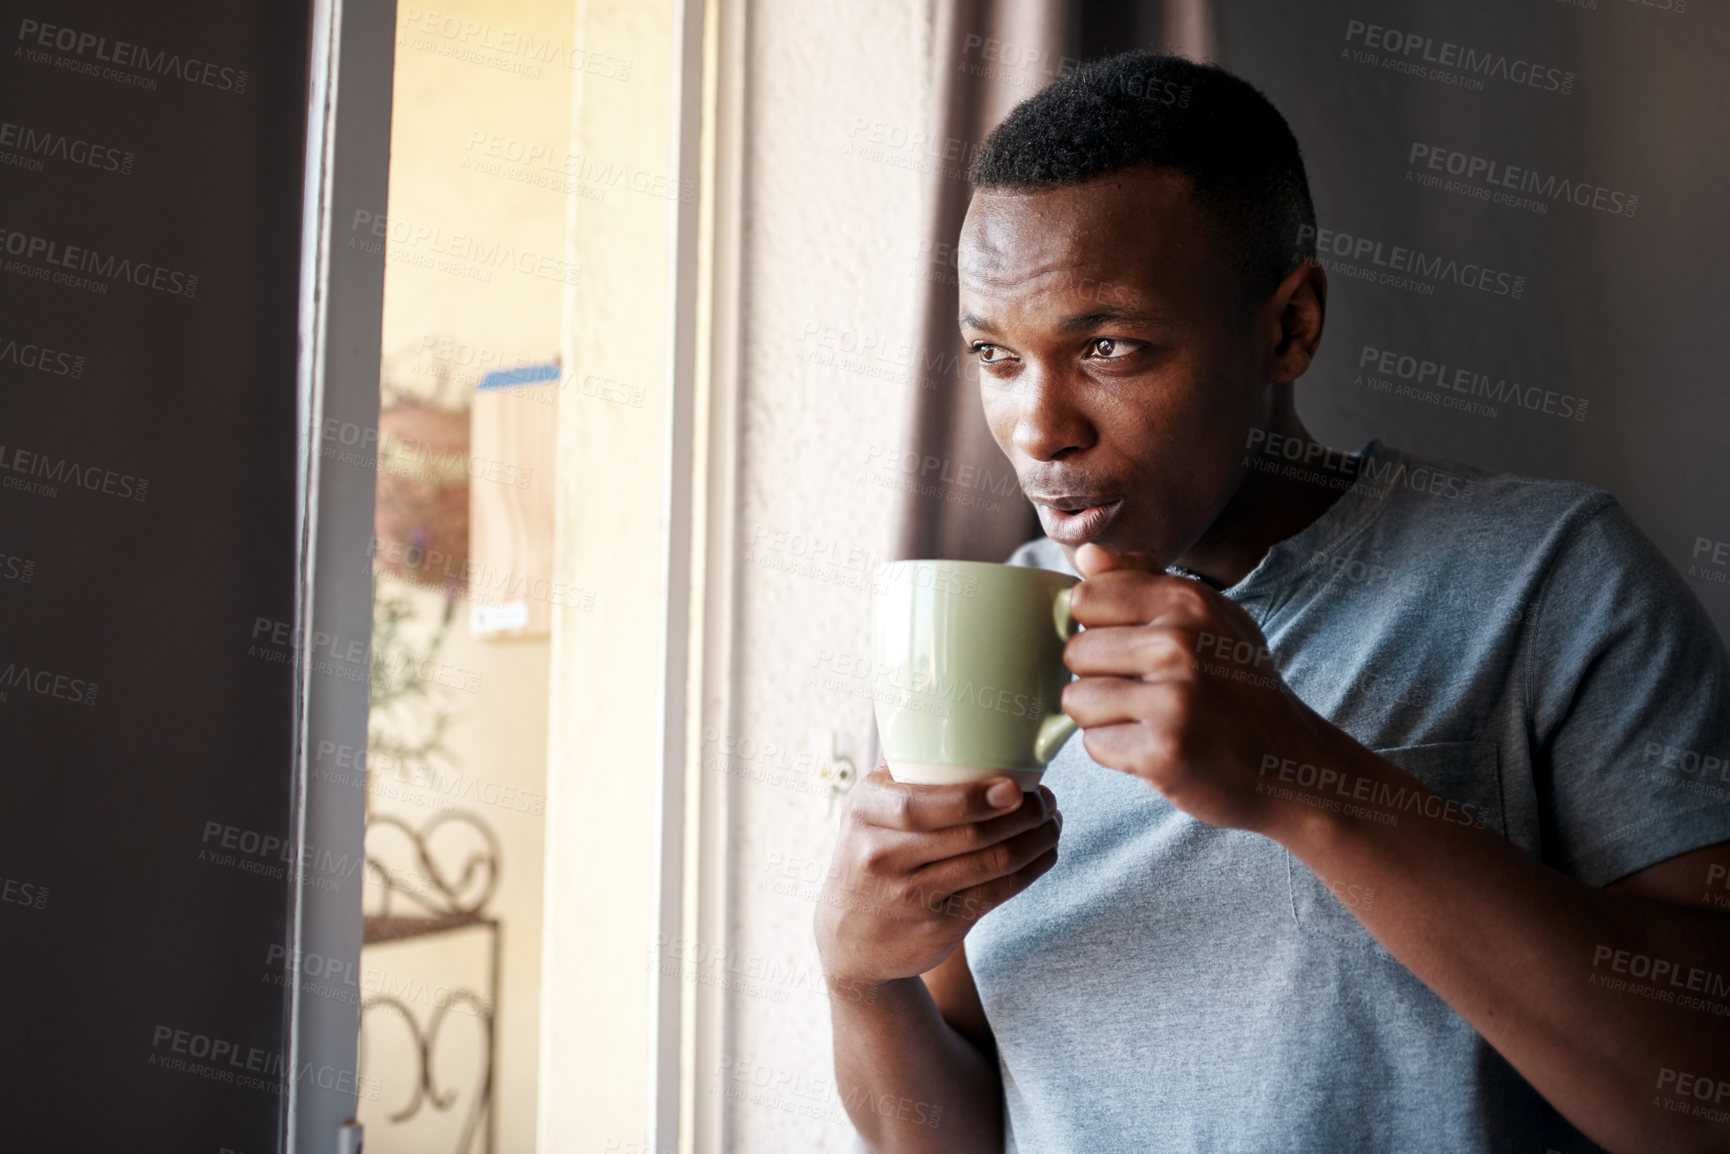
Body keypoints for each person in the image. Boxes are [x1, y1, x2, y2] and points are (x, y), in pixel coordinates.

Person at [814, 51, 1730, 1154]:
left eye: (1107, 347)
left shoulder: (1548, 576)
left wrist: (1304, 778)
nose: (1036, 427)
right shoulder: (982, 635)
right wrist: (860, 980)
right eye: (995, 355)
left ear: (1288, 325)